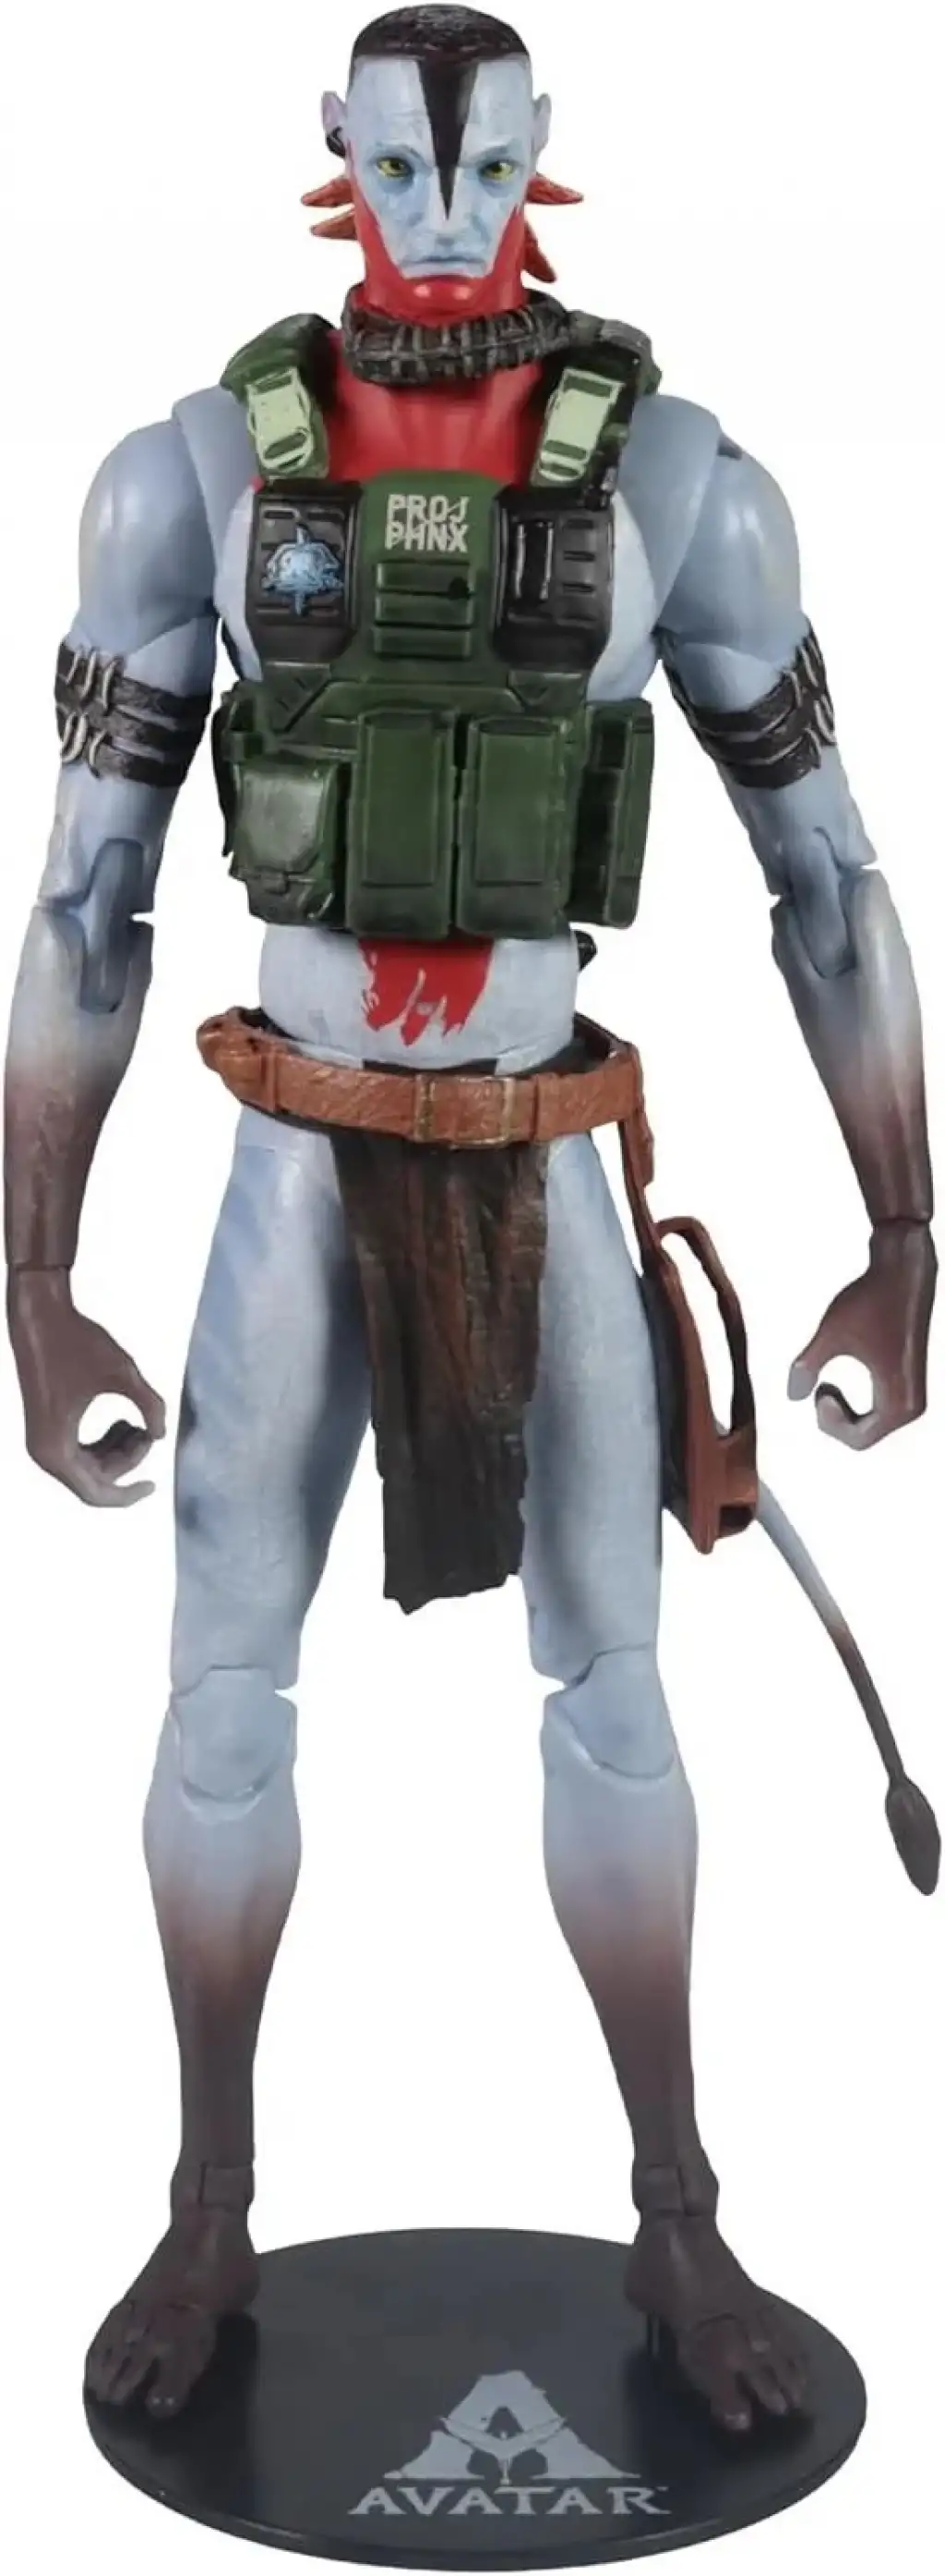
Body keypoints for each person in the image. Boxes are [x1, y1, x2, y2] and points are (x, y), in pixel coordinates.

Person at [5, 5, 934, 2432]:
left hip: (545, 1151)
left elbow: (831, 875)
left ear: (538, 155)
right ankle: (208, 2205)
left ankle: (681, 2219)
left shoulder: (688, 486)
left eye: (483, 160)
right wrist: (35, 1271)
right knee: (222, 1698)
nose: (440, 204)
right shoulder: (190, 482)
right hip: (294, 1157)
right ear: (335, 150)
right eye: (401, 161)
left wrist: (906, 1228)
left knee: (618, 1691)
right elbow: (85, 897)